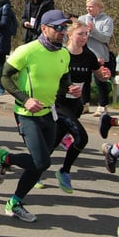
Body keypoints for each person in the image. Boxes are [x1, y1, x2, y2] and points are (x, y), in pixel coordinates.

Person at [0, 9, 73, 222]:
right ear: (44, 28)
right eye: (58, 27)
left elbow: (64, 81)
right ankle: (5, 158)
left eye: (64, 27)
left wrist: (70, 89)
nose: (62, 31)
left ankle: (15, 201)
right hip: (26, 113)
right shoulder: (27, 50)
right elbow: (5, 77)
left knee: (40, 163)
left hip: (48, 113)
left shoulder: (64, 54)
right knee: (41, 162)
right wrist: (25, 99)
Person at [51, 21, 110, 193]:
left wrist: (104, 75)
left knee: (53, 142)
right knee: (82, 138)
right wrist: (65, 87)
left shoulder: (88, 55)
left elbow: (99, 74)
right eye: (80, 34)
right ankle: (64, 171)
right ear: (69, 35)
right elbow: (49, 77)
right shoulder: (61, 54)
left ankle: (31, 167)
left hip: (75, 106)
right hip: (58, 103)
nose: (84, 37)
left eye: (86, 34)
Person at [78, 0, 114, 117]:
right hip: (84, 53)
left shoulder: (107, 20)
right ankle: (84, 104)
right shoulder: (82, 19)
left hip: (99, 54)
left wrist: (93, 31)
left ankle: (103, 105)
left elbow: (105, 37)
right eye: (87, 6)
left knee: (100, 80)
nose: (88, 9)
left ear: (98, 7)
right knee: (84, 79)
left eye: (91, 6)